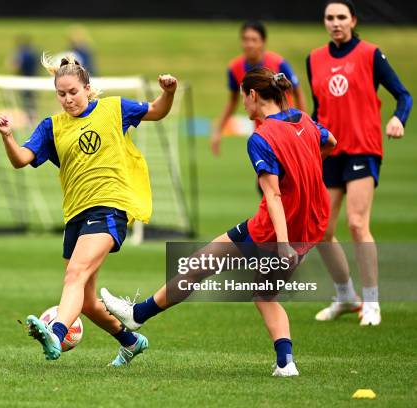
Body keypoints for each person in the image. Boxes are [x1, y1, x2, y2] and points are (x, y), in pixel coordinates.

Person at [102, 68, 337, 377]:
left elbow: (275, 195)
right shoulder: (304, 120)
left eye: (243, 98)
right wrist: (303, 164)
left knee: (200, 264)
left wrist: (281, 244)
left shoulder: (262, 136)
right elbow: (331, 141)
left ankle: (138, 314)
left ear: (253, 95)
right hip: (310, 226)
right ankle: (285, 362)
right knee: (265, 295)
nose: (243, 105)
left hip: (274, 230)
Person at [0, 53, 177, 365]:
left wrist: (168, 92)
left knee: (74, 274)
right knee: (88, 302)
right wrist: (8, 138)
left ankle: (56, 330)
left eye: (73, 92)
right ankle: (131, 342)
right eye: (61, 94)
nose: (67, 99)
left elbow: (157, 111)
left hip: (109, 207)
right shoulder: (52, 126)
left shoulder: (114, 108)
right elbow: (21, 159)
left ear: (88, 89)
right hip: (76, 215)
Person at [308, 0, 412, 326]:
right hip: (329, 152)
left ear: (353, 20)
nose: (336, 22)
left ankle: (372, 302)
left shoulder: (370, 54)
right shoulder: (315, 59)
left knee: (356, 223)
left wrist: (398, 118)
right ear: (324, 22)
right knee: (320, 229)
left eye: (341, 17)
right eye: (330, 18)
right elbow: (318, 110)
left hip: (363, 148)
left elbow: (403, 94)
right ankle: (344, 295)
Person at [210, 21, 307, 156]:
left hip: (287, 129)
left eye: (254, 40)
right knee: (264, 173)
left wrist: (302, 126)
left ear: (263, 42)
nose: (249, 44)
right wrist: (218, 130)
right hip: (263, 132)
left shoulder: (278, 63)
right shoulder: (235, 68)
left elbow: (297, 92)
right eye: (245, 39)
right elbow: (232, 101)